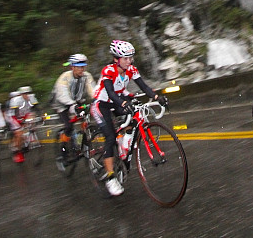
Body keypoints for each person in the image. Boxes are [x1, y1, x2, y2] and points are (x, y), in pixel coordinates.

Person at [90, 40, 167, 196]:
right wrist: (124, 102)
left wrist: (157, 96)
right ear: (116, 59)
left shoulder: (131, 69)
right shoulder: (109, 71)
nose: (129, 61)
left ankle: (124, 143)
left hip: (118, 99)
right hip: (102, 104)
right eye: (126, 58)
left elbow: (144, 87)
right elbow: (110, 93)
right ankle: (111, 178)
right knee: (110, 138)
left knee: (134, 116)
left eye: (131, 57)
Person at [52, 53, 96, 169]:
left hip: (77, 101)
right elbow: (62, 94)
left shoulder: (87, 76)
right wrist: (72, 105)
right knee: (68, 126)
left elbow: (93, 90)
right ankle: (63, 151)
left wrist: (98, 99)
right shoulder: (64, 77)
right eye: (79, 66)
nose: (82, 69)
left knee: (85, 119)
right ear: (72, 67)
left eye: (83, 66)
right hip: (62, 103)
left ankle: (81, 142)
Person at [6, 86, 37, 163]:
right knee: (19, 134)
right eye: (24, 94)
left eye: (28, 93)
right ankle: (19, 152)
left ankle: (29, 136)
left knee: (32, 117)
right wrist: (19, 123)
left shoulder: (32, 98)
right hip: (13, 117)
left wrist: (39, 117)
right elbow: (12, 115)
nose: (26, 95)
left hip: (24, 115)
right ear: (21, 94)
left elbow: (36, 109)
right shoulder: (15, 100)